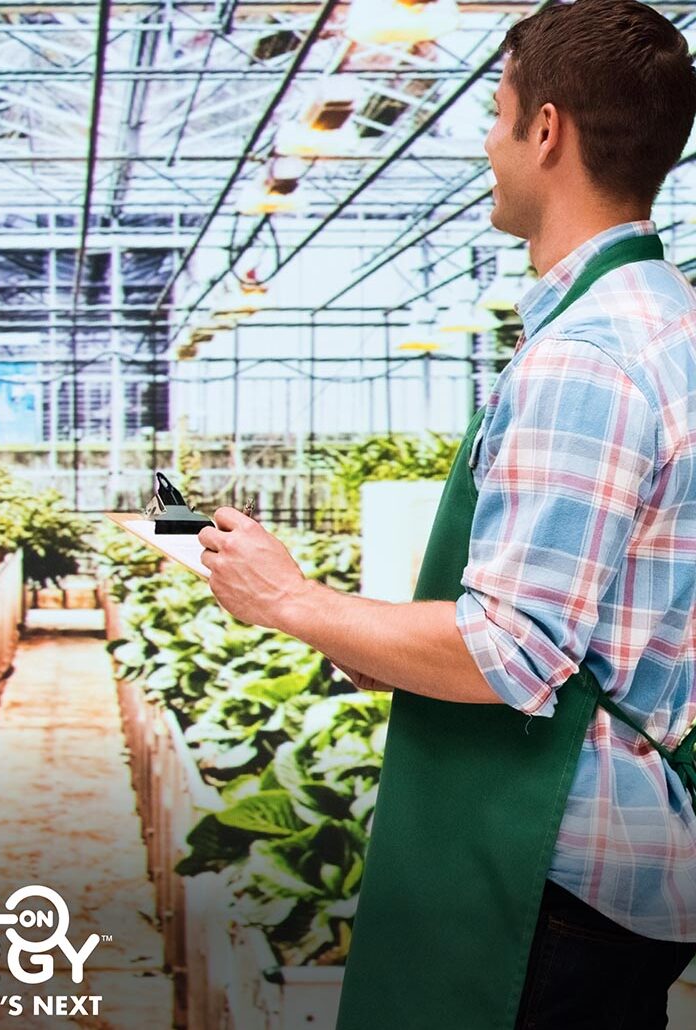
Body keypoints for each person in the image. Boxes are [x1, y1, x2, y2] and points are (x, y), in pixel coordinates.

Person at [198, 1, 696, 1026]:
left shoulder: (587, 355)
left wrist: (288, 598)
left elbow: (509, 652)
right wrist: (371, 638)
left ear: (545, 129)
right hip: (629, 867)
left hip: (546, 881)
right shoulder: (669, 320)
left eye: (496, 113)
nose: (484, 144)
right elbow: (602, 614)